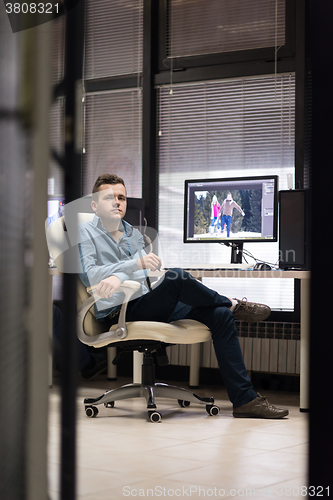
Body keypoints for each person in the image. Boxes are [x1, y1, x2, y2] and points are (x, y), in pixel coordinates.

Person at [78, 174, 288, 418]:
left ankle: (245, 400)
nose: (117, 202)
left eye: (121, 197)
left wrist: (127, 273)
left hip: (145, 300)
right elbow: (90, 275)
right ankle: (232, 303)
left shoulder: (131, 234)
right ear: (94, 205)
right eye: (109, 198)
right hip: (119, 311)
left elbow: (143, 275)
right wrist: (131, 267)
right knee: (178, 276)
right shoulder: (85, 234)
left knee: (218, 315)